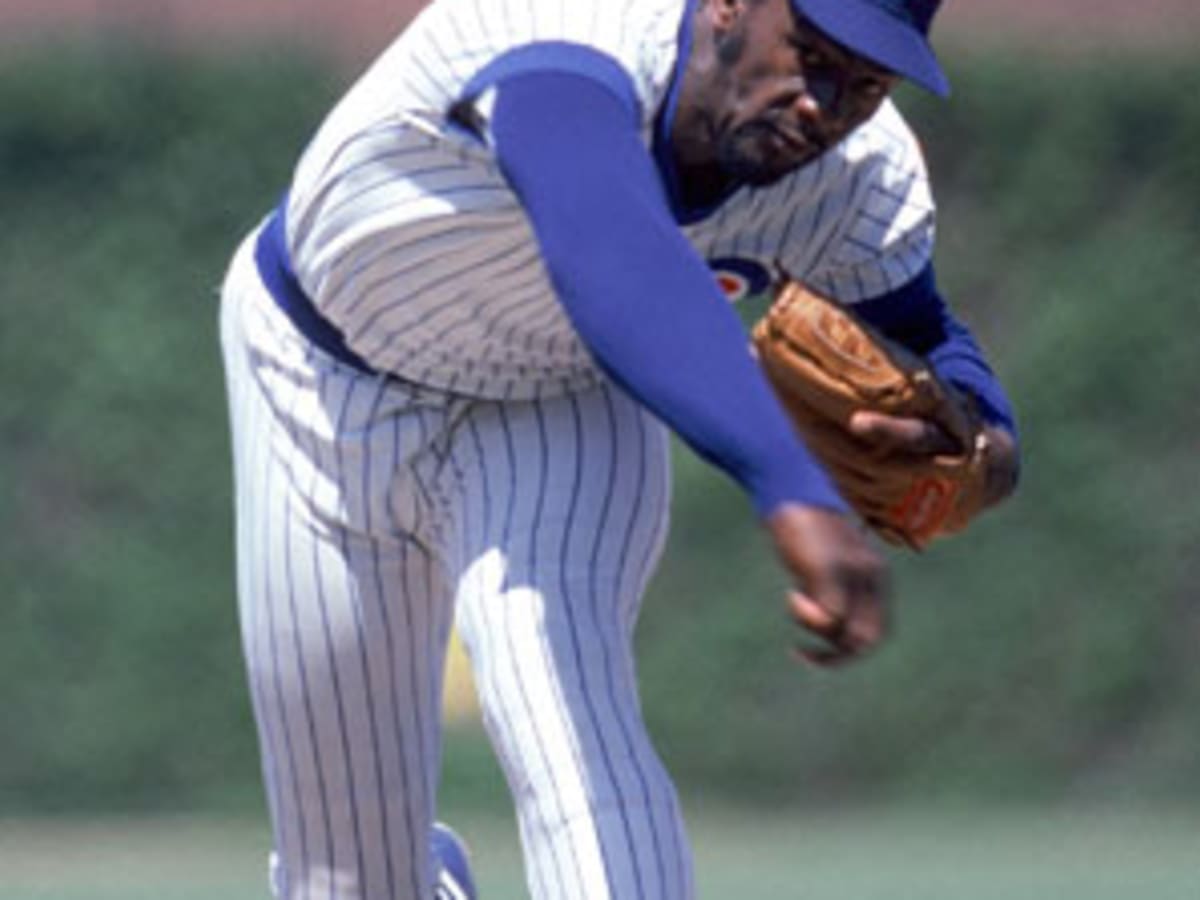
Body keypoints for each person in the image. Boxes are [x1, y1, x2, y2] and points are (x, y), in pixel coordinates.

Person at [218, 0, 1020, 896]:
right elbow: (608, 247)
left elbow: (925, 332)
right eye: (811, 52)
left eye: (865, 83)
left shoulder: (858, 178)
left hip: (551, 399)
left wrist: (987, 440)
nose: (822, 105)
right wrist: (792, 485)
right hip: (319, 379)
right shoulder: (573, 26)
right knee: (345, 876)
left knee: (570, 736)